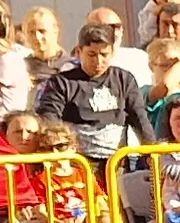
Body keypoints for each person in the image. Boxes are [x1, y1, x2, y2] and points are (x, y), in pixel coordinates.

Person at [36, 22, 148, 164]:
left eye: (104, 54)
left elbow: (139, 117)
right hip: (78, 163)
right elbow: (49, 121)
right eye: (92, 54)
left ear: (113, 52)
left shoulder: (124, 79)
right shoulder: (61, 83)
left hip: (116, 163)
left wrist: (151, 150)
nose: (98, 61)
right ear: (79, 52)